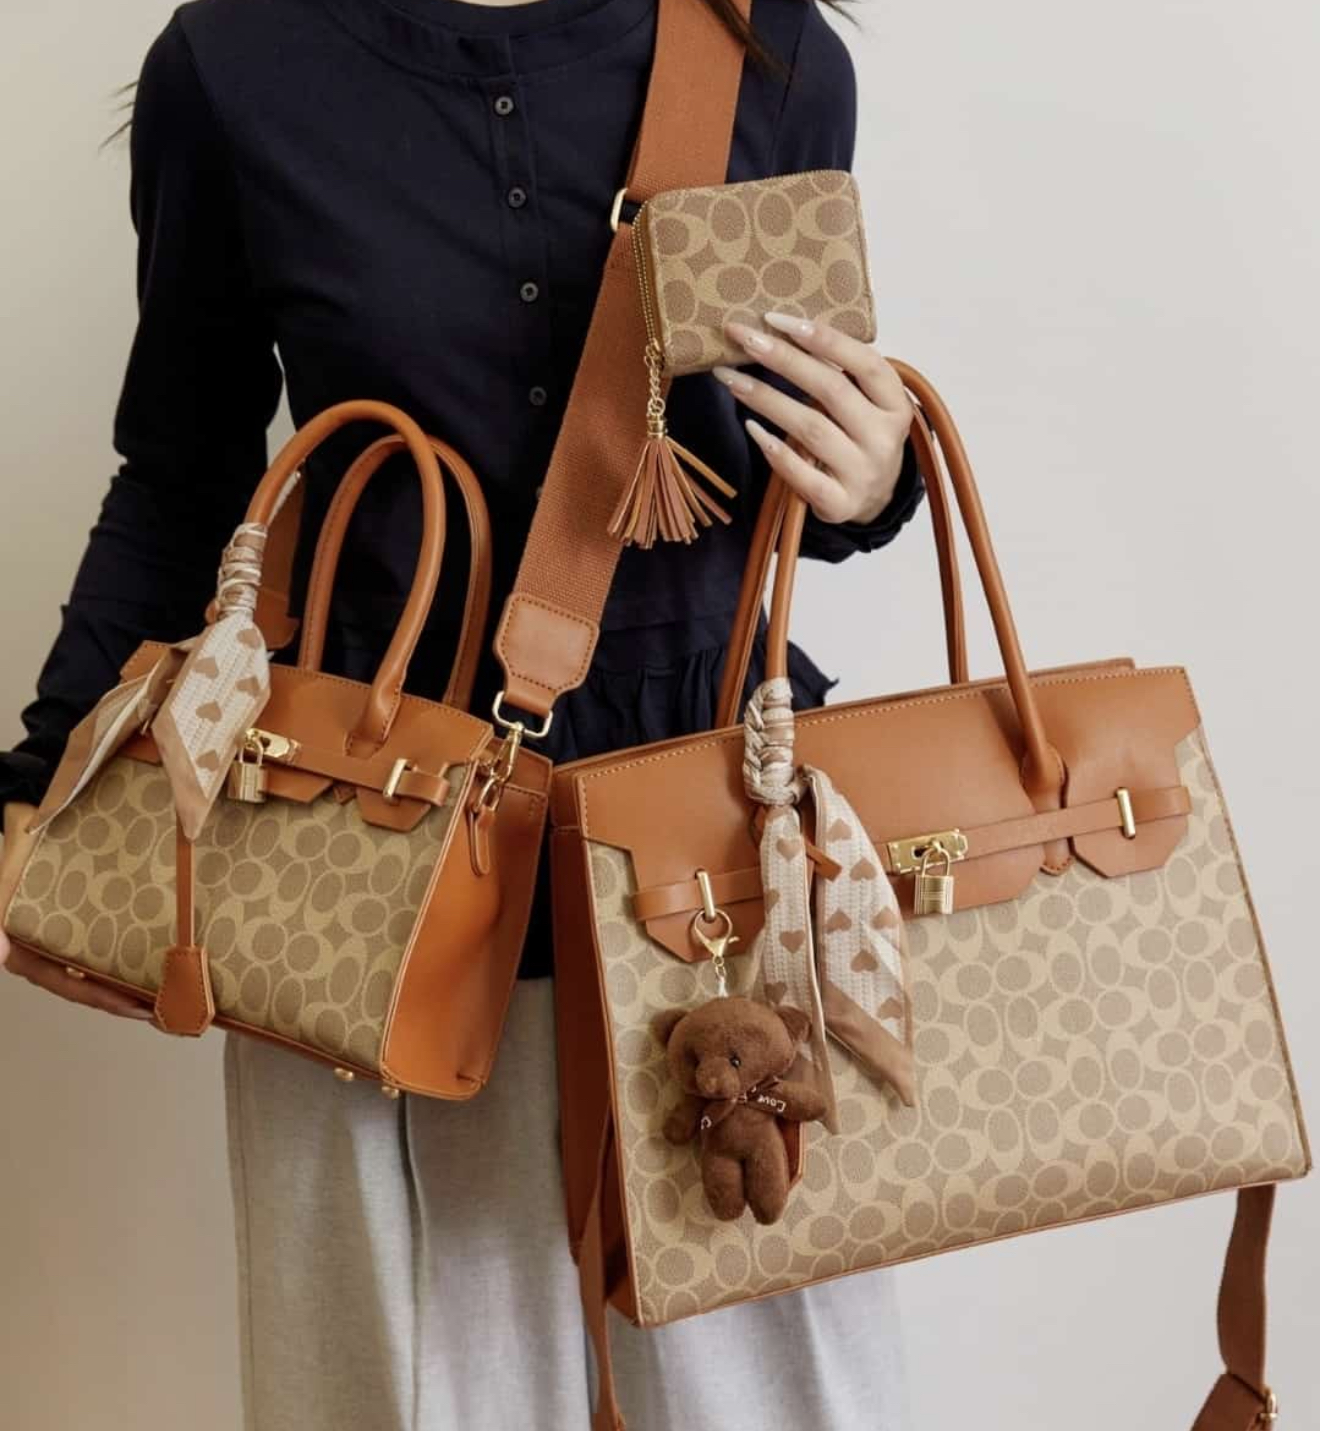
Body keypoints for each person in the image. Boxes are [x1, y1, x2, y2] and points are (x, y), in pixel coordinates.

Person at [0, 0, 923, 1426]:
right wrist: (39, 783)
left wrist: (876, 480)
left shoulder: (766, 49)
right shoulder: (236, 67)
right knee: (398, 1393)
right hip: (364, 877)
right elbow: (183, 474)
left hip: (719, 872)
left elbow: (782, 454)